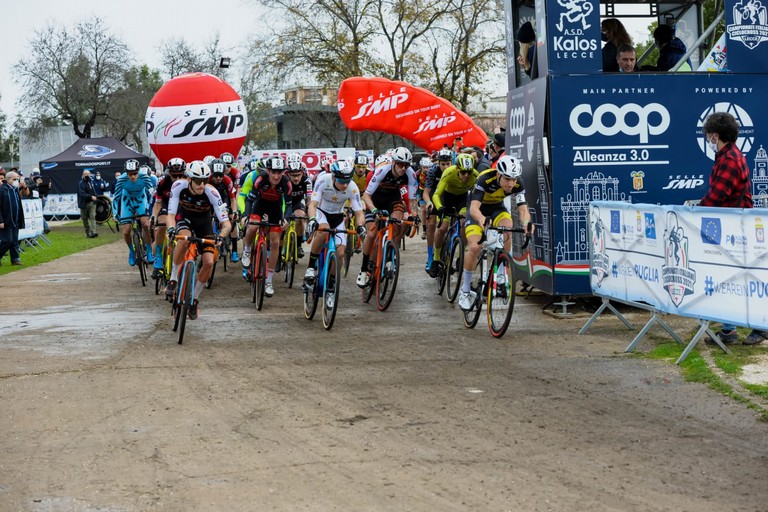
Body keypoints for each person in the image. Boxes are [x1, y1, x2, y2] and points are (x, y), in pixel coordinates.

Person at [699, 112, 766, 346]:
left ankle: (759, 325)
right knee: (731, 277)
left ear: (716, 135)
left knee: (742, 277)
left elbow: (718, 194)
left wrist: (696, 211)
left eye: (708, 134)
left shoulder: (729, 158)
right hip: (733, 224)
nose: (707, 138)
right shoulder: (727, 156)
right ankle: (729, 330)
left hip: (737, 226)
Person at [458, 155, 535, 311]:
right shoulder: (484, 179)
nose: (511, 184)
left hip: (497, 209)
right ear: (498, 174)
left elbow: (523, 209)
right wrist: (481, 219)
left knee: (508, 226)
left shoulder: (518, 184)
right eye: (507, 179)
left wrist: (527, 224)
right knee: (474, 247)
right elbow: (473, 209)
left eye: (514, 179)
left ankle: (501, 274)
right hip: (477, 210)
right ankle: (465, 291)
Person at [164, 161, 232, 320]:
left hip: (204, 224)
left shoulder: (212, 193)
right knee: (184, 240)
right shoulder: (178, 187)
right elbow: (171, 215)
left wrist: (221, 236)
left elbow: (226, 224)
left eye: (205, 180)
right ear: (189, 179)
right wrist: (171, 229)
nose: (202, 184)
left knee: (209, 262)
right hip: (185, 218)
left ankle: (194, 299)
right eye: (197, 181)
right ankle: (173, 279)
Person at [357, 147, 418, 288]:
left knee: (396, 223)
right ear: (393, 162)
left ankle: (389, 256)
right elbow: (366, 196)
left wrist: (414, 215)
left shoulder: (410, 174)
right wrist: (374, 210)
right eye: (400, 164)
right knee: (371, 234)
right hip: (375, 201)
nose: (403, 168)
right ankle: (364, 268)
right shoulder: (382, 171)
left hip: (393, 200)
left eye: (406, 165)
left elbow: (413, 200)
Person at [303, 161, 367, 292]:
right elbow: (312, 205)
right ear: (333, 177)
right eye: (341, 181)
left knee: (341, 253)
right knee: (323, 230)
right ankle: (311, 268)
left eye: (347, 181)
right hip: (322, 213)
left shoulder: (352, 187)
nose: (344, 185)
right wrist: (312, 219)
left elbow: (359, 212)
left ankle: (331, 283)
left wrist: (360, 226)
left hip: (337, 216)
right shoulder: (323, 181)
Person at [238, 155, 293, 298]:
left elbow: (288, 205)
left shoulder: (286, 183)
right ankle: (248, 249)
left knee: (275, 242)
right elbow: (250, 199)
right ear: (268, 171)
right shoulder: (260, 179)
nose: (276, 176)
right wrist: (246, 215)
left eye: (279, 172)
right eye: (273, 172)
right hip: (259, 205)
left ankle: (268, 280)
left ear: (283, 172)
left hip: (275, 208)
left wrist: (286, 219)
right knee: (253, 226)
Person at [428, 152, 479, 277]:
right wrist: (439, 208)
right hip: (447, 198)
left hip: (462, 199)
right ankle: (436, 258)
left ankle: (460, 255)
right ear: (457, 169)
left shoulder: (476, 176)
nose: (466, 176)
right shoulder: (449, 172)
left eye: (469, 172)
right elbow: (436, 194)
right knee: (443, 228)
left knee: (464, 224)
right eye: (463, 172)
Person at [112, 159, 155, 266]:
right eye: (130, 174)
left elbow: (152, 194)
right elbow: (116, 198)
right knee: (126, 231)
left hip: (141, 200)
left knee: (145, 224)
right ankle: (131, 251)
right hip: (127, 201)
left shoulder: (144, 177)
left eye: (135, 174)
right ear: (126, 173)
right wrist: (115, 213)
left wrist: (151, 209)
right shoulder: (121, 180)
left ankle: (149, 251)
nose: (132, 177)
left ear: (138, 171)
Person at [150, 157, 187, 277]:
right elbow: (158, 202)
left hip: (181, 206)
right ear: (168, 173)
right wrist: (154, 216)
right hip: (166, 205)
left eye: (179, 175)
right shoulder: (162, 182)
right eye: (173, 175)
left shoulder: (187, 181)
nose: (176, 178)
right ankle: (159, 258)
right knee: (162, 225)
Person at [0, 171, 26, 266]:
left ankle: (15, 259)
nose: (16, 181)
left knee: (14, 240)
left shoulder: (15, 190)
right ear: (8, 180)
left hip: (15, 219)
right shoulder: (2, 190)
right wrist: (0, 220)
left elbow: (18, 204)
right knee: (7, 240)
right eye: (14, 179)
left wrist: (20, 218)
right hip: (6, 220)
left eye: (17, 179)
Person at [77, 170, 99, 238]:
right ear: (83, 175)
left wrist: (96, 196)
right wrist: (91, 196)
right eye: (86, 174)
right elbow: (82, 194)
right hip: (84, 204)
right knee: (85, 219)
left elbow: (93, 191)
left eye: (88, 174)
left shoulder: (91, 182)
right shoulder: (81, 183)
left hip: (92, 203)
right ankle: (88, 232)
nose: (87, 175)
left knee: (93, 217)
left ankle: (93, 232)